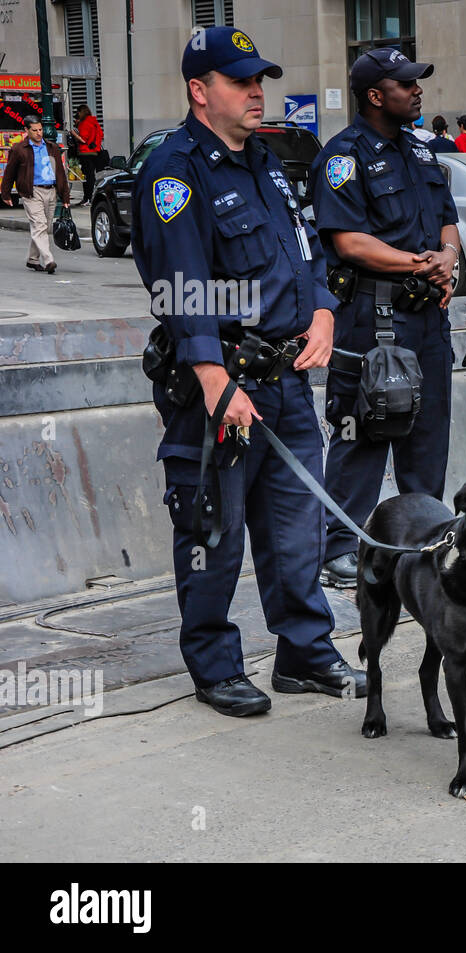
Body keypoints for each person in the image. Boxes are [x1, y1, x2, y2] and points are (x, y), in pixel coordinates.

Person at [131, 25, 365, 716]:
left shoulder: (266, 163)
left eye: (259, 79)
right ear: (200, 92)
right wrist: (212, 379)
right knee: (213, 533)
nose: (256, 91)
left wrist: (323, 310)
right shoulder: (176, 173)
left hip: (286, 380)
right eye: (240, 81)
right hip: (221, 384)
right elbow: (181, 286)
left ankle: (304, 652)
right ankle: (215, 664)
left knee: (296, 530)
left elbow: (307, 254)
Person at [310, 47, 460, 588]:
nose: (418, 91)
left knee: (427, 433)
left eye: (418, 83)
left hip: (428, 321)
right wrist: (420, 263)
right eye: (406, 85)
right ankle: (339, 549)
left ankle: (425, 541)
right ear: (376, 95)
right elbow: (348, 242)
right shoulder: (342, 157)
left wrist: (447, 257)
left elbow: (447, 219)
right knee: (363, 431)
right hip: (373, 319)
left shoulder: (422, 154)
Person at [0, 116, 72, 274]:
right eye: (35, 130)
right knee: (39, 226)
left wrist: (65, 196)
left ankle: (33, 259)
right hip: (31, 192)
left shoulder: (52, 147)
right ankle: (48, 260)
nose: (39, 133)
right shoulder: (19, 149)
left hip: (51, 191)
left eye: (40, 129)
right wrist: (5, 194)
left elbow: (60, 173)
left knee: (44, 227)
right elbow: (9, 172)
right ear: (26, 130)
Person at [69, 104, 105, 206]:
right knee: (91, 176)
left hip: (85, 153)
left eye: (78, 112)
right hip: (95, 152)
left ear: (82, 112)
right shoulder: (94, 122)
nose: (77, 114)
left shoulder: (84, 123)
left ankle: (87, 198)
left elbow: (83, 139)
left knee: (87, 177)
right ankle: (90, 197)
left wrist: (74, 133)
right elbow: (101, 134)